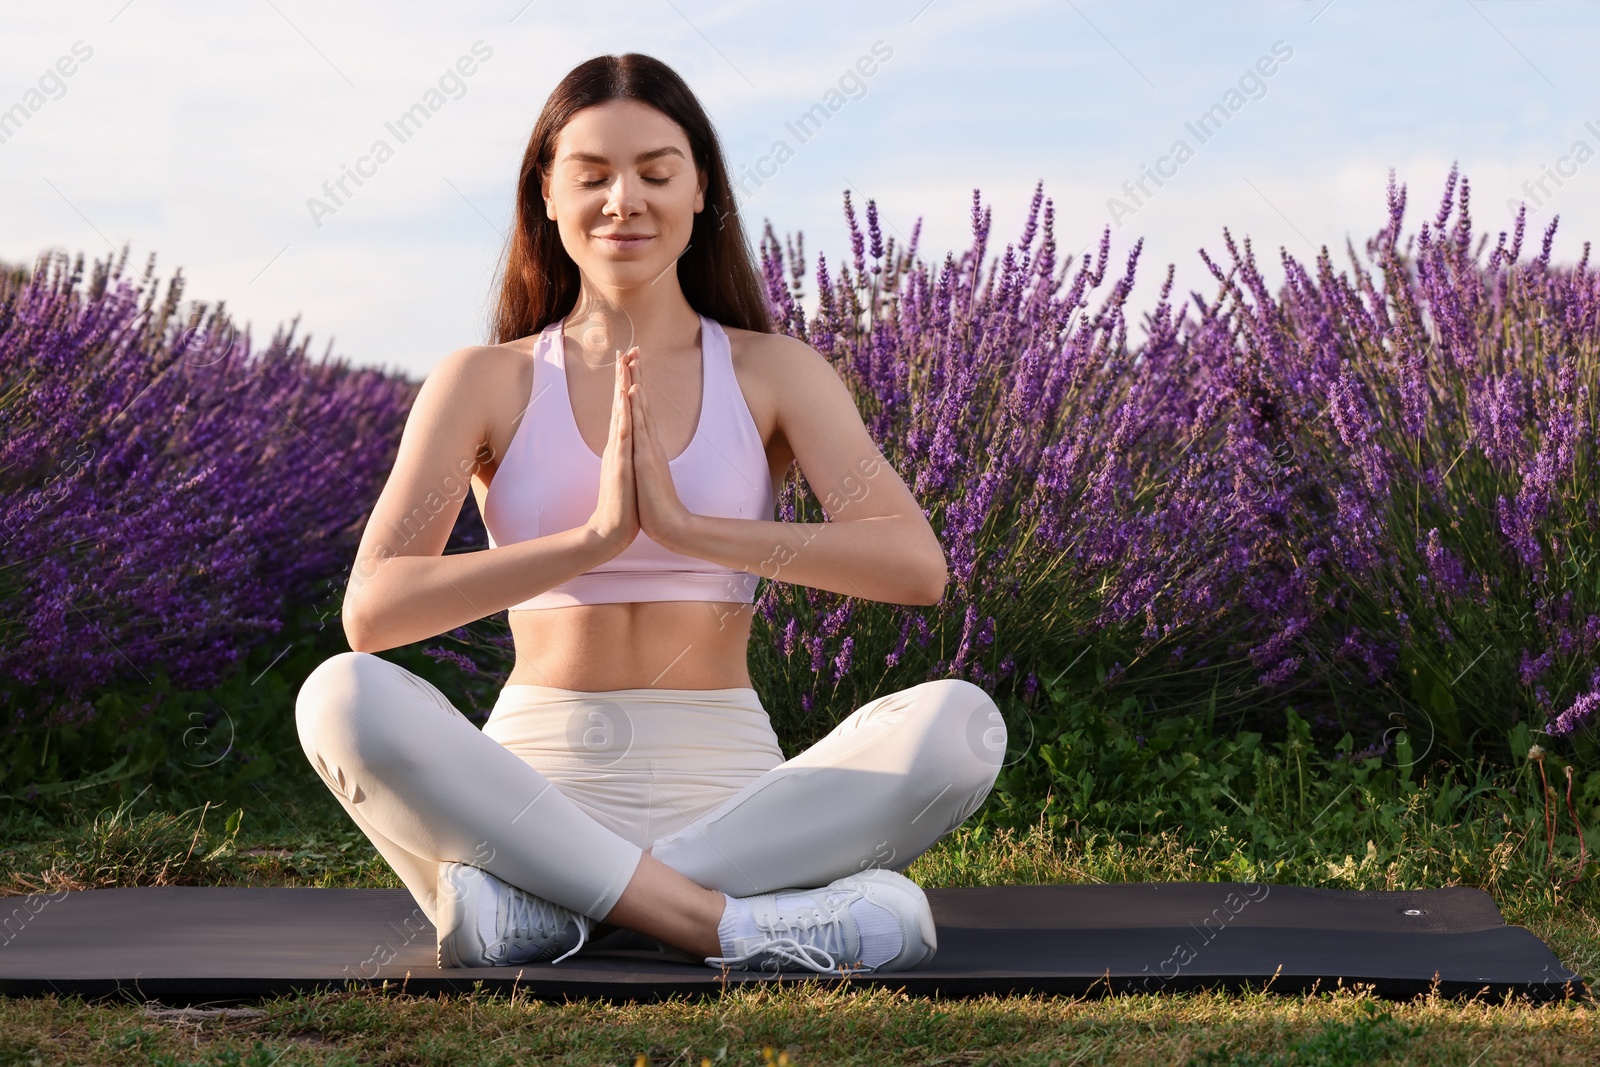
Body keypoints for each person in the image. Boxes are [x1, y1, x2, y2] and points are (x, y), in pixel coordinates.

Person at [294, 52, 1007, 976]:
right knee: (339, 696)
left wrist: (688, 529)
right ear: (545, 196)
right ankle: (728, 927)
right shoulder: (484, 382)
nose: (623, 199)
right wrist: (588, 540)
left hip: (736, 792)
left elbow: (915, 567)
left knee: (962, 725)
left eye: (656, 173)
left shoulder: (774, 370)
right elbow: (374, 611)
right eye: (591, 176)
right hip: (529, 788)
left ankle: (548, 909)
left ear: (701, 190)